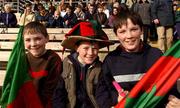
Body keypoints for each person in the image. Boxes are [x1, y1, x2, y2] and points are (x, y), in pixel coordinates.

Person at [96, 11, 163, 107]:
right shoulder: (111, 60)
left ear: (142, 30)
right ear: (116, 34)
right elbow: (103, 93)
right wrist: (116, 99)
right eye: (122, 32)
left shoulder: (156, 55)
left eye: (134, 29)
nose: (129, 36)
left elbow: (168, 85)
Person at [53, 21, 114, 108]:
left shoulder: (100, 68)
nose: (90, 53)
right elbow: (59, 93)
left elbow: (102, 94)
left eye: (95, 49)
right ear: (76, 48)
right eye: (86, 48)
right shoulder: (65, 65)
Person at [23, 21, 62, 107]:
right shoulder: (22, 60)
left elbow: (51, 91)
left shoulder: (53, 59)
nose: (33, 44)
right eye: (28, 40)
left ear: (46, 38)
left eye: (38, 39)